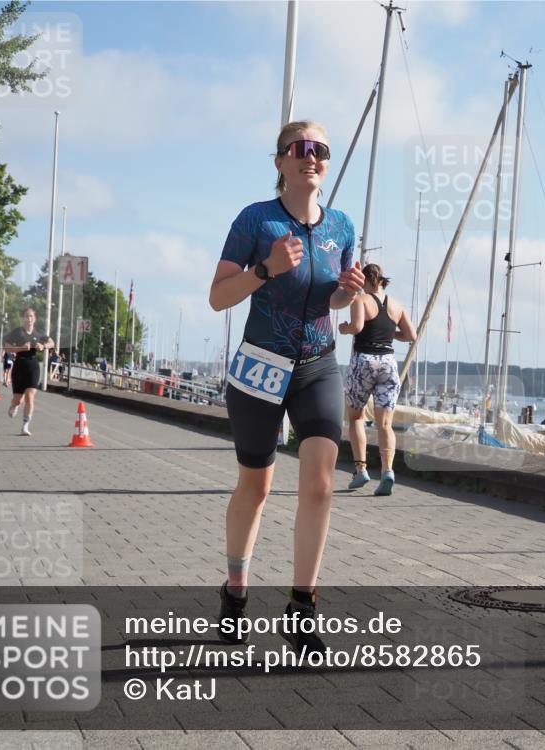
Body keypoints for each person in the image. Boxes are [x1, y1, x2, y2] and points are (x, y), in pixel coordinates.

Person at [208, 120, 365, 652]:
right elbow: (218, 297)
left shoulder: (341, 225)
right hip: (261, 364)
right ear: (280, 162)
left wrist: (347, 293)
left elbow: (336, 304)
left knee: (320, 484)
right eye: (300, 148)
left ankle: (302, 608)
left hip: (319, 363)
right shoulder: (256, 219)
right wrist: (266, 270)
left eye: (320, 149)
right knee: (256, 488)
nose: (311, 156)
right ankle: (234, 591)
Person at [339, 263, 417, 495]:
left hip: (364, 360)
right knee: (385, 424)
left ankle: (361, 469)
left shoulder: (360, 300)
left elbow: (357, 326)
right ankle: (388, 471)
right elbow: (411, 335)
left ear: (364, 281)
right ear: (382, 280)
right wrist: (389, 332)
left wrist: (344, 328)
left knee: (356, 418)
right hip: (388, 363)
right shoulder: (397, 305)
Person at [3, 308, 53, 436]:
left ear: (34, 319)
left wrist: (43, 346)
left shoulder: (39, 333)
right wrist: (21, 348)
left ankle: (25, 426)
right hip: (19, 365)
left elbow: (51, 342)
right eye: (26, 316)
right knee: (18, 399)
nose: (29, 318)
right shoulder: (17, 332)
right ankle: (14, 405)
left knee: (30, 396)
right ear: (23, 318)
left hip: (33, 366)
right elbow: (7, 347)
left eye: (31, 316)